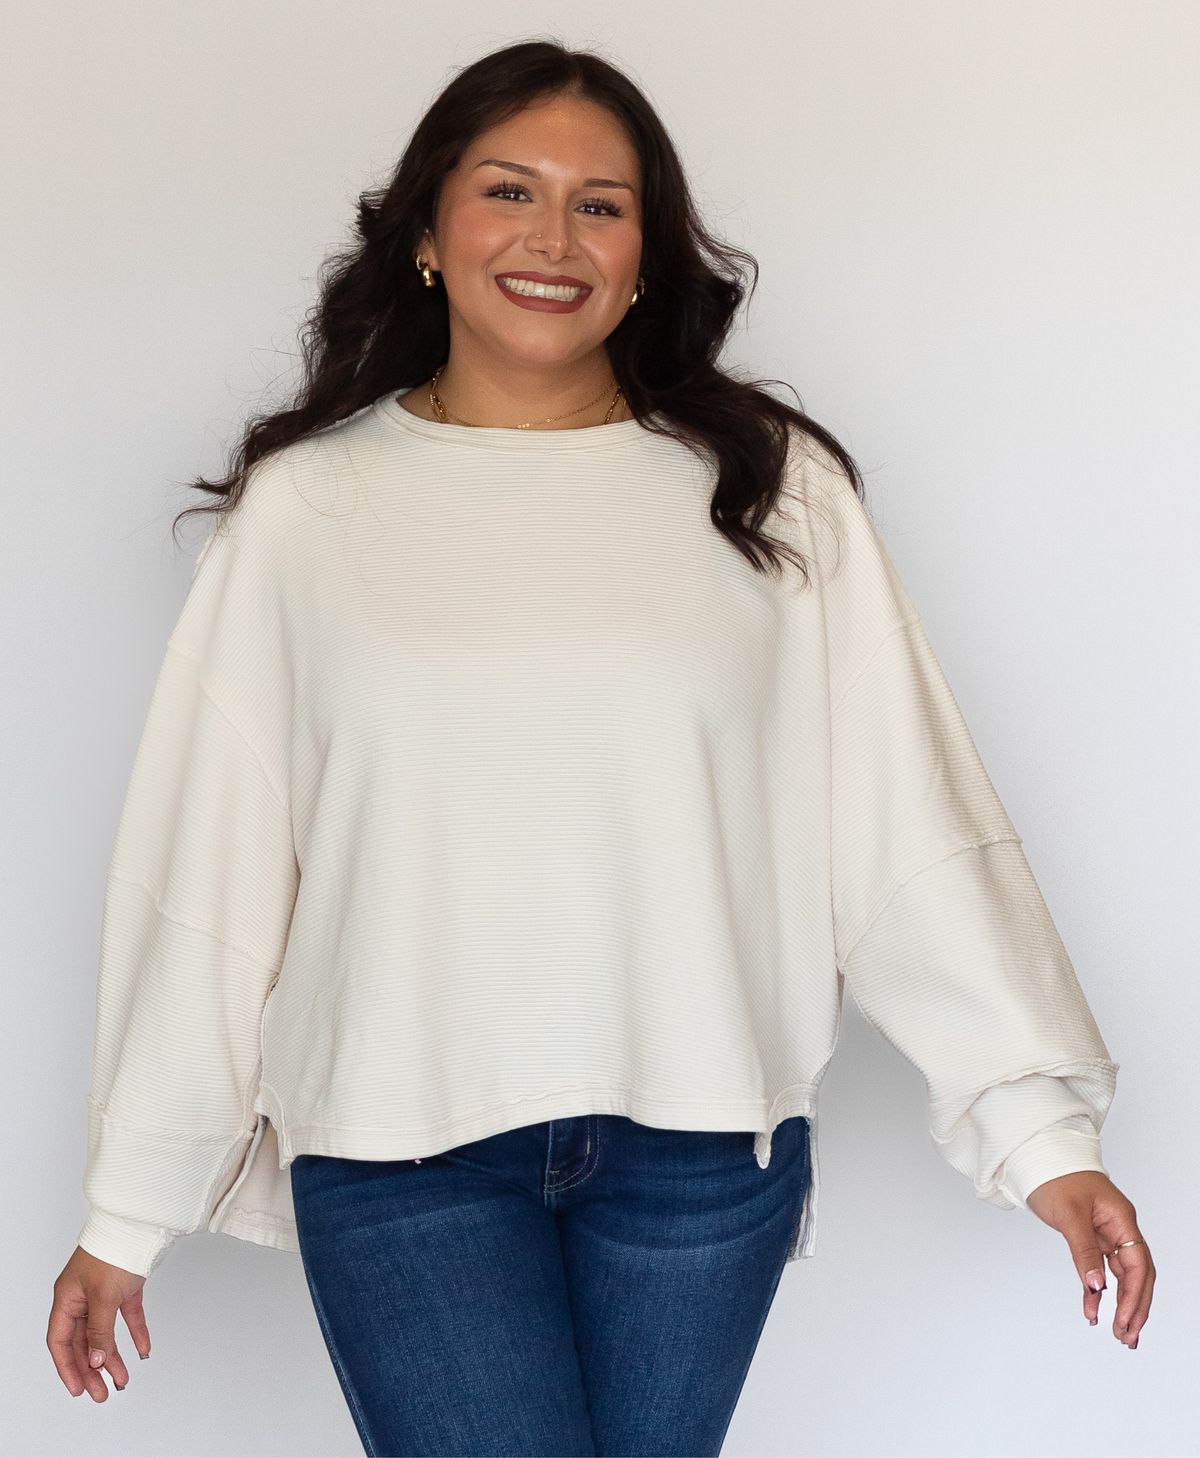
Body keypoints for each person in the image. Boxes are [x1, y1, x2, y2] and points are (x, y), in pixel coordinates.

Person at [47, 39, 1155, 1458]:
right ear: (430, 229)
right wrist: (126, 1208)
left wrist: (1040, 1133)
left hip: (701, 1153)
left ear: (647, 252)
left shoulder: (768, 491)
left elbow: (905, 820)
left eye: (601, 204)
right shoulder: (305, 516)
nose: (552, 238)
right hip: (401, 1149)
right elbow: (211, 869)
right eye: (509, 189)